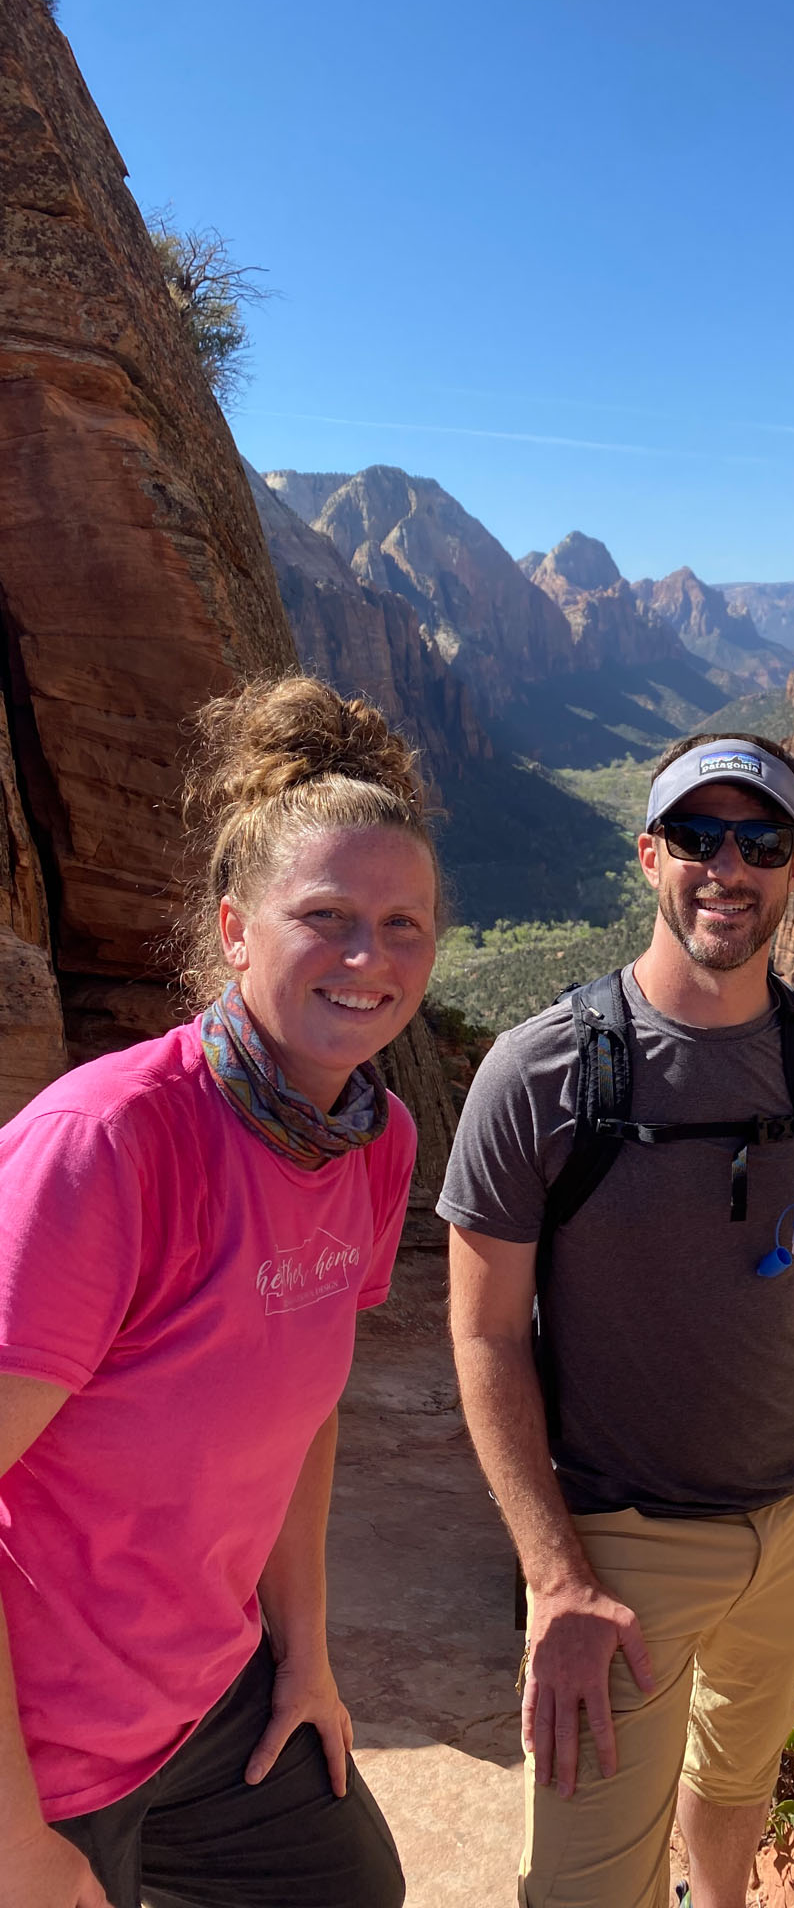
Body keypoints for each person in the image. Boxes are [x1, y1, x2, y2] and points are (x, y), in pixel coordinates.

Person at [440, 732, 794, 1908]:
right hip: (623, 1546)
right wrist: (555, 1578)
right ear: (649, 851)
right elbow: (485, 1336)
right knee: (580, 1884)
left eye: (760, 841)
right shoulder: (539, 1073)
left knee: (737, 1777)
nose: (729, 867)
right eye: (700, 837)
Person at [0, 676, 439, 1908]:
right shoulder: (111, 1147)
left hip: (213, 1697)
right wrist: (14, 1840)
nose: (371, 958)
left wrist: (305, 1657)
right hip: (43, 1751)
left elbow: (304, 1418)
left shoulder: (373, 1137)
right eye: (328, 916)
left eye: (406, 923)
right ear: (235, 926)